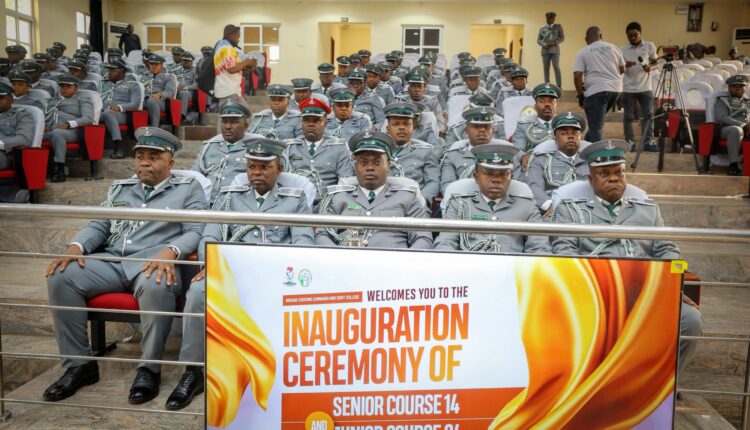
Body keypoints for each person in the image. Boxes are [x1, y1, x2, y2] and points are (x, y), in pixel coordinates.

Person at [43, 127, 207, 405]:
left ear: (170, 163)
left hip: (153, 263)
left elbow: (195, 230)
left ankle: (149, 369)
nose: (145, 163)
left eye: (153, 157)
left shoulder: (188, 188)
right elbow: (100, 224)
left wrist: (170, 252)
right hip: (114, 261)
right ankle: (79, 365)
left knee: (157, 283)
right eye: (140, 157)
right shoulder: (121, 188)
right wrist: (75, 246)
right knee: (62, 276)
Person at [167, 137, 312, 411]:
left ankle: (284, 373)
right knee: (197, 292)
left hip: (275, 274)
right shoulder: (228, 197)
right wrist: (211, 264)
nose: (256, 173)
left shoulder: (295, 199)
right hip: (232, 273)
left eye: (264, 167)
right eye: (252, 167)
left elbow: (303, 242)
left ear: (279, 169)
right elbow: (210, 235)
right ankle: (193, 371)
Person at [551, 139, 703, 375]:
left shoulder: (647, 209)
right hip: (595, 294)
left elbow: (666, 249)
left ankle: (658, 383)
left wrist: (673, 284)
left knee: (690, 320)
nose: (614, 178)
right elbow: (564, 253)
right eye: (604, 173)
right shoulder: (570, 210)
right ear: (590, 179)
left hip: (644, 291)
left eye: (619, 172)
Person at [315, 130, 433, 249]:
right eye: (363, 162)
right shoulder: (339, 197)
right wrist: (338, 256)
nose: (370, 168)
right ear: (355, 166)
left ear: (388, 166)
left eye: (377, 162)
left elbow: (423, 238)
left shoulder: (407, 197)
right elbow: (322, 234)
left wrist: (404, 259)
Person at [435, 143, 550, 253]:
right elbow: (445, 244)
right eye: (489, 173)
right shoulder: (459, 204)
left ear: (511, 177)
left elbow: (539, 248)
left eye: (503, 174)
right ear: (476, 177)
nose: (496, 179)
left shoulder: (526, 206)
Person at [286, 97, 354, 202]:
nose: (311, 124)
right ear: (301, 123)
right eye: (306, 120)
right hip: (295, 203)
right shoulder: (290, 147)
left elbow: (345, 181)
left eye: (316, 120)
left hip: (327, 203)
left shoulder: (339, 148)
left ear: (325, 123)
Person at [527, 112, 589, 216]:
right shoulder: (541, 160)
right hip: (552, 212)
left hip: (587, 211)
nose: (570, 137)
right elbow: (534, 186)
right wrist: (551, 205)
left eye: (575, 133)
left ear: (580, 137)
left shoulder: (591, 162)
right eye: (564, 133)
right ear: (555, 139)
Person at [574, 26, 625, 143]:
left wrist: (580, 95)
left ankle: (596, 152)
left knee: (595, 126)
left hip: (596, 91)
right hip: (615, 90)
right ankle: (585, 146)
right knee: (596, 123)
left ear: (586, 39)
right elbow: (622, 69)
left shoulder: (583, 52)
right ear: (601, 36)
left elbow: (577, 76)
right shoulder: (614, 48)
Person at [384, 102, 440, 205]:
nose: (402, 128)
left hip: (415, 205)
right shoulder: (378, 151)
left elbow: (433, 182)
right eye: (396, 124)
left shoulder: (426, 151)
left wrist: (419, 201)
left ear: (412, 127)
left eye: (406, 124)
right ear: (388, 129)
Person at [43, 74, 95, 183]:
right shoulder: (51, 101)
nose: (64, 89)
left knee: (57, 133)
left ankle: (60, 170)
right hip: (49, 130)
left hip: (72, 131)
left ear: (76, 88)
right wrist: (43, 126)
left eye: (68, 86)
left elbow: (88, 118)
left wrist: (69, 124)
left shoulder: (82, 100)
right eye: (62, 86)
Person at [441, 107, 497, 193]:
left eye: (486, 127)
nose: (482, 130)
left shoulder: (504, 156)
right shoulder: (452, 156)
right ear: (466, 130)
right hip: (462, 199)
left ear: (492, 131)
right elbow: (447, 187)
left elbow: (514, 187)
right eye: (477, 126)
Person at [620, 22, 658, 152]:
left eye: (635, 35)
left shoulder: (649, 46)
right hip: (628, 88)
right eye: (629, 36)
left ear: (640, 33)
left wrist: (650, 67)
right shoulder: (622, 50)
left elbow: (656, 63)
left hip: (646, 87)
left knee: (648, 115)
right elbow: (619, 69)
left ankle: (648, 141)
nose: (632, 38)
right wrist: (625, 66)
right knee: (628, 117)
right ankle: (630, 142)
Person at [512, 83, 560, 178]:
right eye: (542, 101)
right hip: (533, 168)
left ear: (556, 105)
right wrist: (523, 156)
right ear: (535, 106)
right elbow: (517, 148)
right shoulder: (524, 125)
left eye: (551, 101)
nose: (547, 104)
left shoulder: (564, 126)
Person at [99, 60, 143, 159]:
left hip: (121, 114)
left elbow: (135, 104)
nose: (109, 73)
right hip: (101, 112)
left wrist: (120, 107)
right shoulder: (102, 84)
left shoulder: (132, 85)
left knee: (108, 113)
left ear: (122, 71)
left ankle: (118, 147)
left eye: (113, 70)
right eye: (109, 70)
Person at [213, 24, 255, 112]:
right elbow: (231, 69)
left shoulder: (221, 45)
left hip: (232, 91)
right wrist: (247, 62)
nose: (238, 40)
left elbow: (230, 67)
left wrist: (245, 67)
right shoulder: (227, 48)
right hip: (228, 91)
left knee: (246, 113)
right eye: (238, 37)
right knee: (228, 117)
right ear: (232, 35)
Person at [714, 75, 750, 176]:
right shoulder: (722, 100)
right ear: (729, 88)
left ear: (745, 88)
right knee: (736, 130)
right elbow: (722, 117)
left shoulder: (748, 102)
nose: (738, 88)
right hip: (727, 129)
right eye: (734, 86)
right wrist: (743, 125)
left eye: (741, 86)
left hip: (747, 129)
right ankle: (734, 165)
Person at [142, 54, 177, 127]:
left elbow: (170, 92)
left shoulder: (168, 77)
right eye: (151, 64)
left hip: (161, 101)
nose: (153, 66)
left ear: (161, 66)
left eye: (156, 64)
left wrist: (160, 94)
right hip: (144, 99)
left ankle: (155, 128)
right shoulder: (143, 77)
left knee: (152, 101)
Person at [537, 12, 564, 88]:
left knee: (556, 67)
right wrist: (544, 44)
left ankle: (559, 85)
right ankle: (547, 84)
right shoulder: (542, 28)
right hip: (545, 51)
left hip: (555, 50)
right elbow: (538, 40)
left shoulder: (558, 27)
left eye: (550, 18)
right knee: (546, 68)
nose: (548, 19)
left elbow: (562, 38)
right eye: (547, 18)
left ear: (554, 19)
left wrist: (555, 43)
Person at [175, 52, 198, 124]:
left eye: (188, 61)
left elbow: (196, 85)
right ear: (181, 61)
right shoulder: (175, 70)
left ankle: (182, 116)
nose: (185, 62)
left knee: (183, 93)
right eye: (184, 60)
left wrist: (184, 87)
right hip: (175, 91)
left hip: (189, 92)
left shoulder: (196, 71)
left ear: (192, 62)